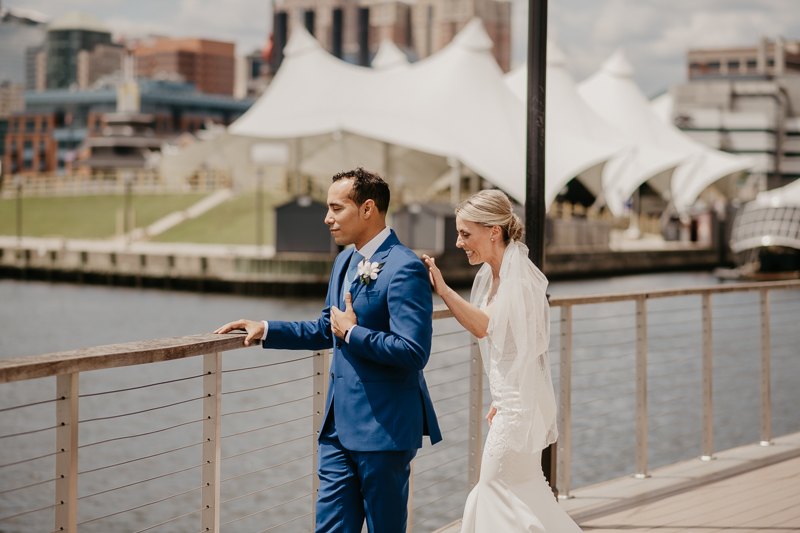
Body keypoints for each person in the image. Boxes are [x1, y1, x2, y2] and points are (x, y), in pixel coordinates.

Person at [215, 167, 441, 533]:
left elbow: (414, 351)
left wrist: (354, 333)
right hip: (337, 428)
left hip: (384, 430)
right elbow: (326, 327)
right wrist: (266, 329)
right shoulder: (343, 261)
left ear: (368, 209)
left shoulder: (405, 267)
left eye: (336, 208)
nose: (327, 218)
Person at [423, 190, 581, 533]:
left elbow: (484, 326)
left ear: (494, 231)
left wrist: (444, 289)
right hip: (514, 403)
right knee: (529, 491)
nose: (459, 242)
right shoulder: (497, 276)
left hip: (517, 411)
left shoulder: (517, 280)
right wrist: (503, 393)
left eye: (466, 234)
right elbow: (517, 348)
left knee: (492, 488)